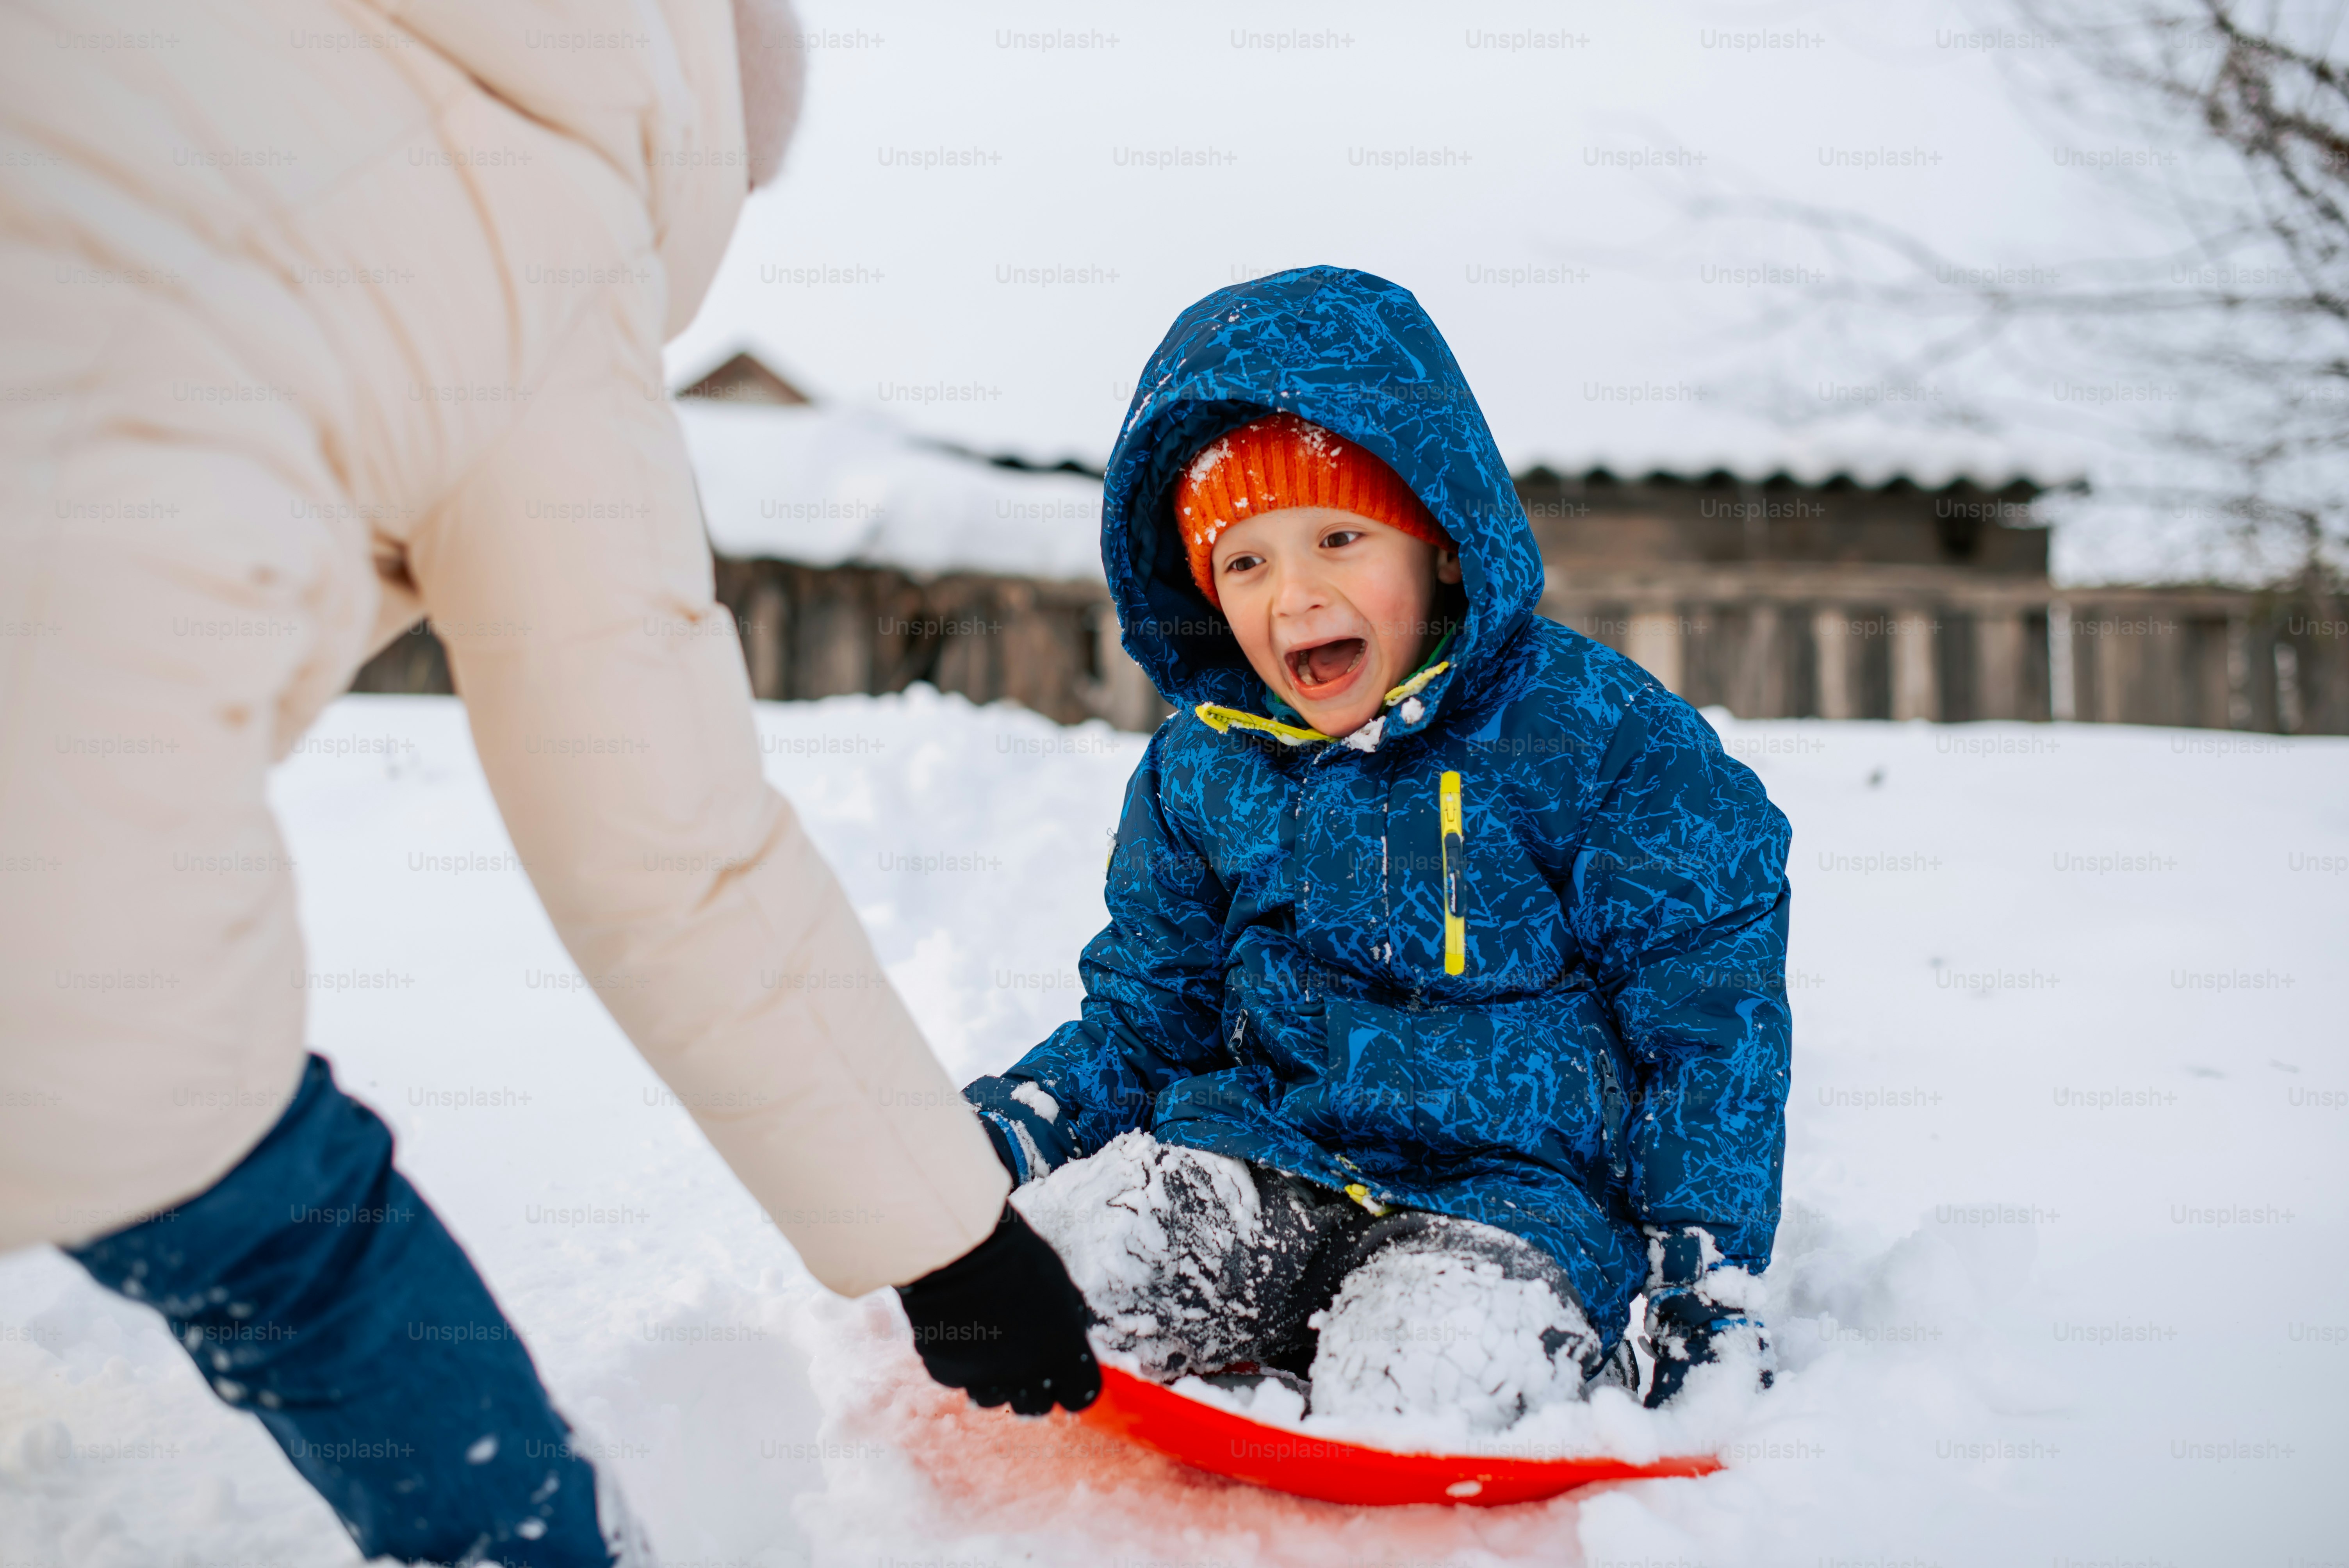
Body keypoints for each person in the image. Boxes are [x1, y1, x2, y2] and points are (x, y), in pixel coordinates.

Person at [0, 0, 1093, 1561]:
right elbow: (666, 844)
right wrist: (949, 1234)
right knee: (297, 1238)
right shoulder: (539, 233)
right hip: (52, 878)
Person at [964, 266, 1793, 1429]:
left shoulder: (1597, 741)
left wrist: (1700, 1272)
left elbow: (1710, 1021)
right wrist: (1030, 1119)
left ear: (1442, 546)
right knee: (1067, 1280)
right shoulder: (1204, 767)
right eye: (1245, 562)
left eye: (1340, 539)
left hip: (1512, 1206)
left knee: (1428, 1387)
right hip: (1263, 1152)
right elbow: (1158, 1008)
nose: (1294, 598)